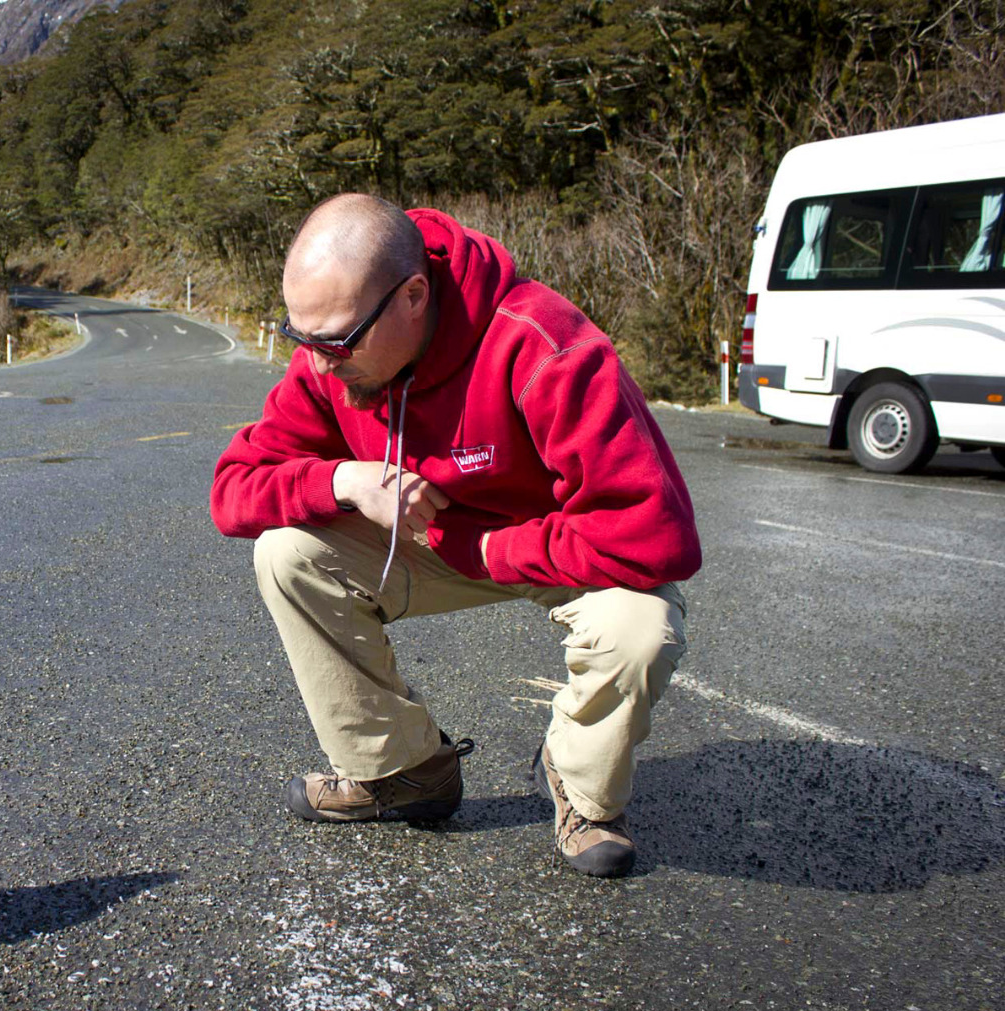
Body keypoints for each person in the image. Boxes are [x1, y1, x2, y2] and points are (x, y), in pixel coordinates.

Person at [210, 193, 699, 878]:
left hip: (552, 549)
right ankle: (402, 773)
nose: (319, 365)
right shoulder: (331, 362)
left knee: (641, 626)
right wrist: (345, 482)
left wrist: (488, 549)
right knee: (286, 551)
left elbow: (655, 536)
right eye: (300, 338)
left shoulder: (545, 344)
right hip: (428, 546)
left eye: (338, 342)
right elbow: (231, 492)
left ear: (414, 295)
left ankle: (579, 785)